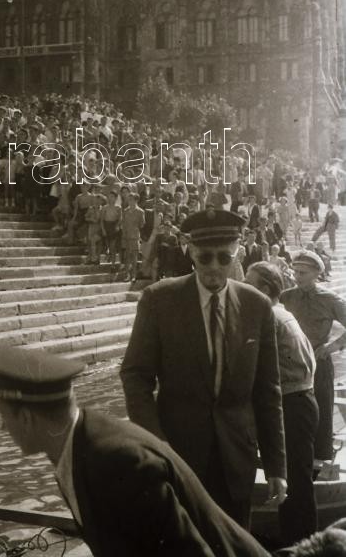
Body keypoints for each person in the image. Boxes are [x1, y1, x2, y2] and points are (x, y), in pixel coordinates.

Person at [0, 342, 271, 557]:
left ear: (27, 418)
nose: (1, 426)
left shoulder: (117, 463)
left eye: (2, 415)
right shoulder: (80, 444)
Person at [120, 208, 287, 529]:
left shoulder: (257, 306)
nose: (213, 266)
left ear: (236, 254)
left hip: (236, 460)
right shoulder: (159, 300)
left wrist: (276, 466)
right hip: (176, 457)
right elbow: (135, 376)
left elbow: (268, 391)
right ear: (191, 252)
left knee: (233, 544)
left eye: (224, 258)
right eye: (205, 257)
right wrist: (156, 445)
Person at [245, 262, 318, 547]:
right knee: (295, 482)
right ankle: (300, 544)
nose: (241, 287)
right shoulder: (282, 313)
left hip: (291, 405)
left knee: (295, 485)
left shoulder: (270, 317)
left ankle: (302, 546)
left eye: (248, 283)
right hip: (298, 402)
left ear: (264, 289)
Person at [281, 251, 346, 473]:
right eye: (295, 272)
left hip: (319, 363)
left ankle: (322, 461)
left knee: (322, 410)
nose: (297, 276)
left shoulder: (330, 299)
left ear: (317, 273)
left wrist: (332, 347)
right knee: (293, 411)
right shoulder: (286, 297)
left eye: (303, 273)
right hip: (291, 364)